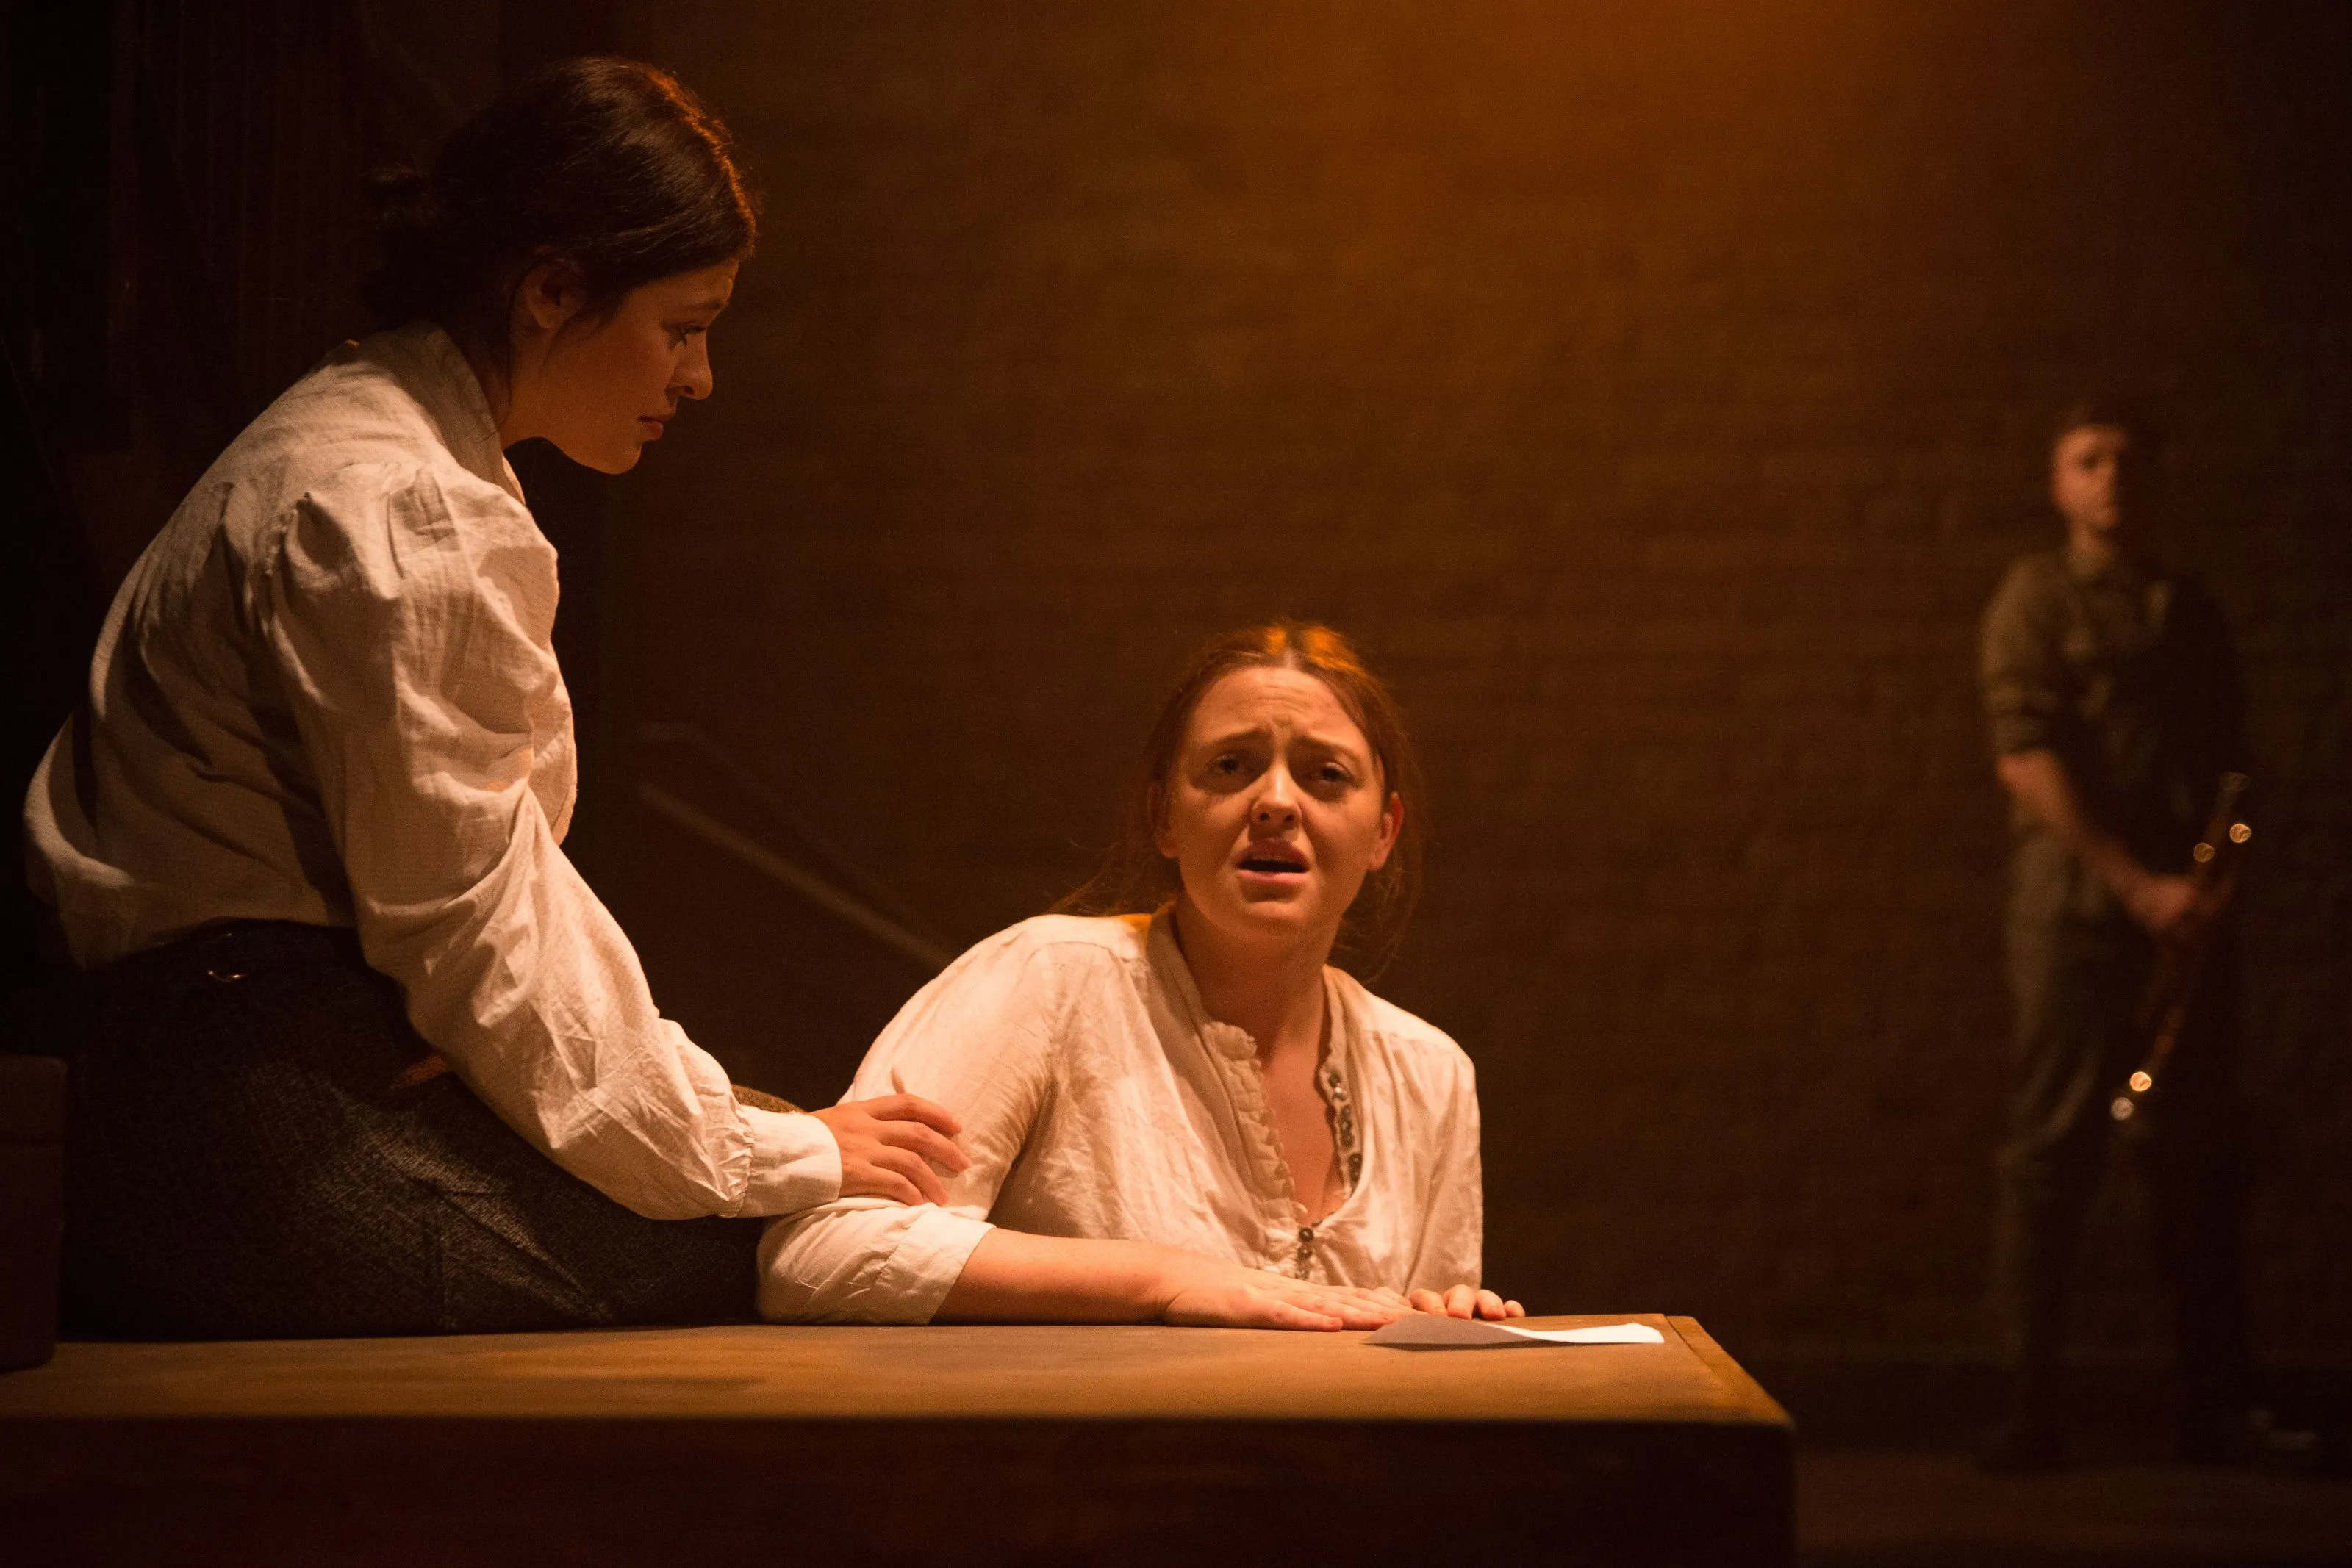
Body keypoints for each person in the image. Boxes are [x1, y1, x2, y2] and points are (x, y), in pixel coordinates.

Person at [19, 58, 964, 1339]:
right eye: (683, 324)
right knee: (732, 1258)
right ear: (551, 291)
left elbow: (494, 896)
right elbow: (472, 930)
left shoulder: (386, 443)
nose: (700, 378)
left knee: (747, 1211)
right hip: (225, 1087)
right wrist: (768, 1157)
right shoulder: (401, 510)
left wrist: (738, 1125)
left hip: (247, 1049)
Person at [761, 622, 1518, 1330]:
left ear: (1382, 830)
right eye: (1231, 766)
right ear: (1163, 816)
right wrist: (1160, 1278)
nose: (1277, 803)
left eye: (1325, 774)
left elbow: (1419, 1379)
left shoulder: (1428, 1071)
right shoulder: (1048, 981)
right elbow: (820, 1254)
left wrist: (1442, 1317)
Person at [1976, 401, 2265, 1467]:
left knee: (2197, 1158)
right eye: (2087, 461)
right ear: (2058, 484)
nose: (2111, 480)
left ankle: (2214, 1407)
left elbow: (2234, 762)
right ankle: (2024, 1406)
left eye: (2129, 462)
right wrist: (2138, 886)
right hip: (2076, 917)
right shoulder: (2036, 600)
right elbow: (2026, 755)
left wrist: (2205, 887)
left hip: (2178, 924)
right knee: (2051, 1150)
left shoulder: (2190, 607)